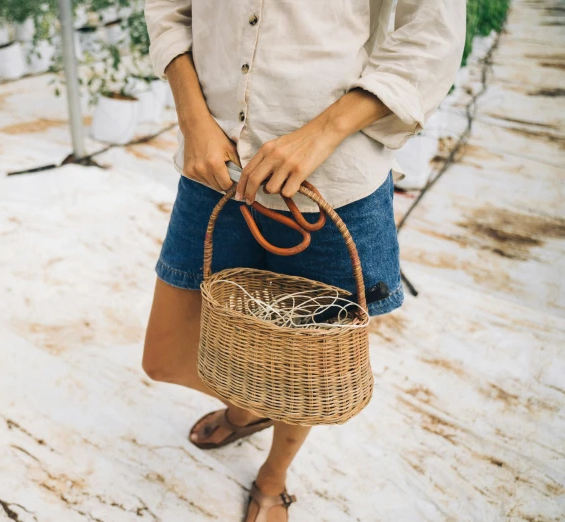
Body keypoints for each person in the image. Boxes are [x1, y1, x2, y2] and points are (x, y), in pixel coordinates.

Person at [142, 1, 465, 520]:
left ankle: (273, 476)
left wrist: (324, 131)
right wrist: (193, 119)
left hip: (333, 179)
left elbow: (433, 32)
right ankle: (249, 408)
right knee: (164, 357)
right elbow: (167, 8)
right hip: (217, 165)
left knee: (308, 367)